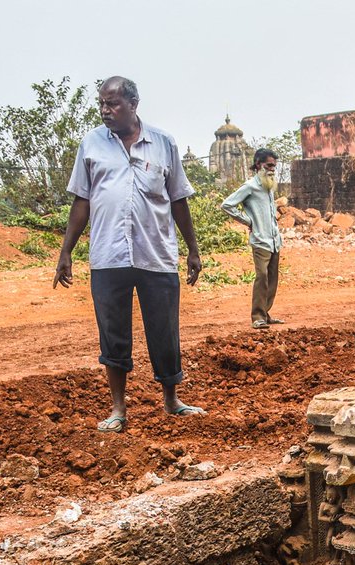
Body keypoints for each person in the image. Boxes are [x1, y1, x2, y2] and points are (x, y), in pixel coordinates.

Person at [54, 76, 204, 434]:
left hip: (157, 254)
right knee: (113, 334)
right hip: (108, 255)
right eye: (102, 104)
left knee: (164, 330)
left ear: (133, 105)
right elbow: (81, 201)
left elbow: (178, 200)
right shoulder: (91, 144)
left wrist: (193, 249)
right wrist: (65, 252)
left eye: (113, 104)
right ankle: (118, 409)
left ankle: (171, 401)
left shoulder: (163, 143)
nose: (105, 111)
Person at [222, 148, 284, 330]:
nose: (272, 169)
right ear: (258, 164)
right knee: (262, 276)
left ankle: (265, 313)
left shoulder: (268, 186)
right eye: (269, 165)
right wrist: (248, 221)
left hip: (274, 240)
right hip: (260, 239)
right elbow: (227, 205)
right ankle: (257, 316)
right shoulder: (250, 186)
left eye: (274, 166)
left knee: (272, 278)